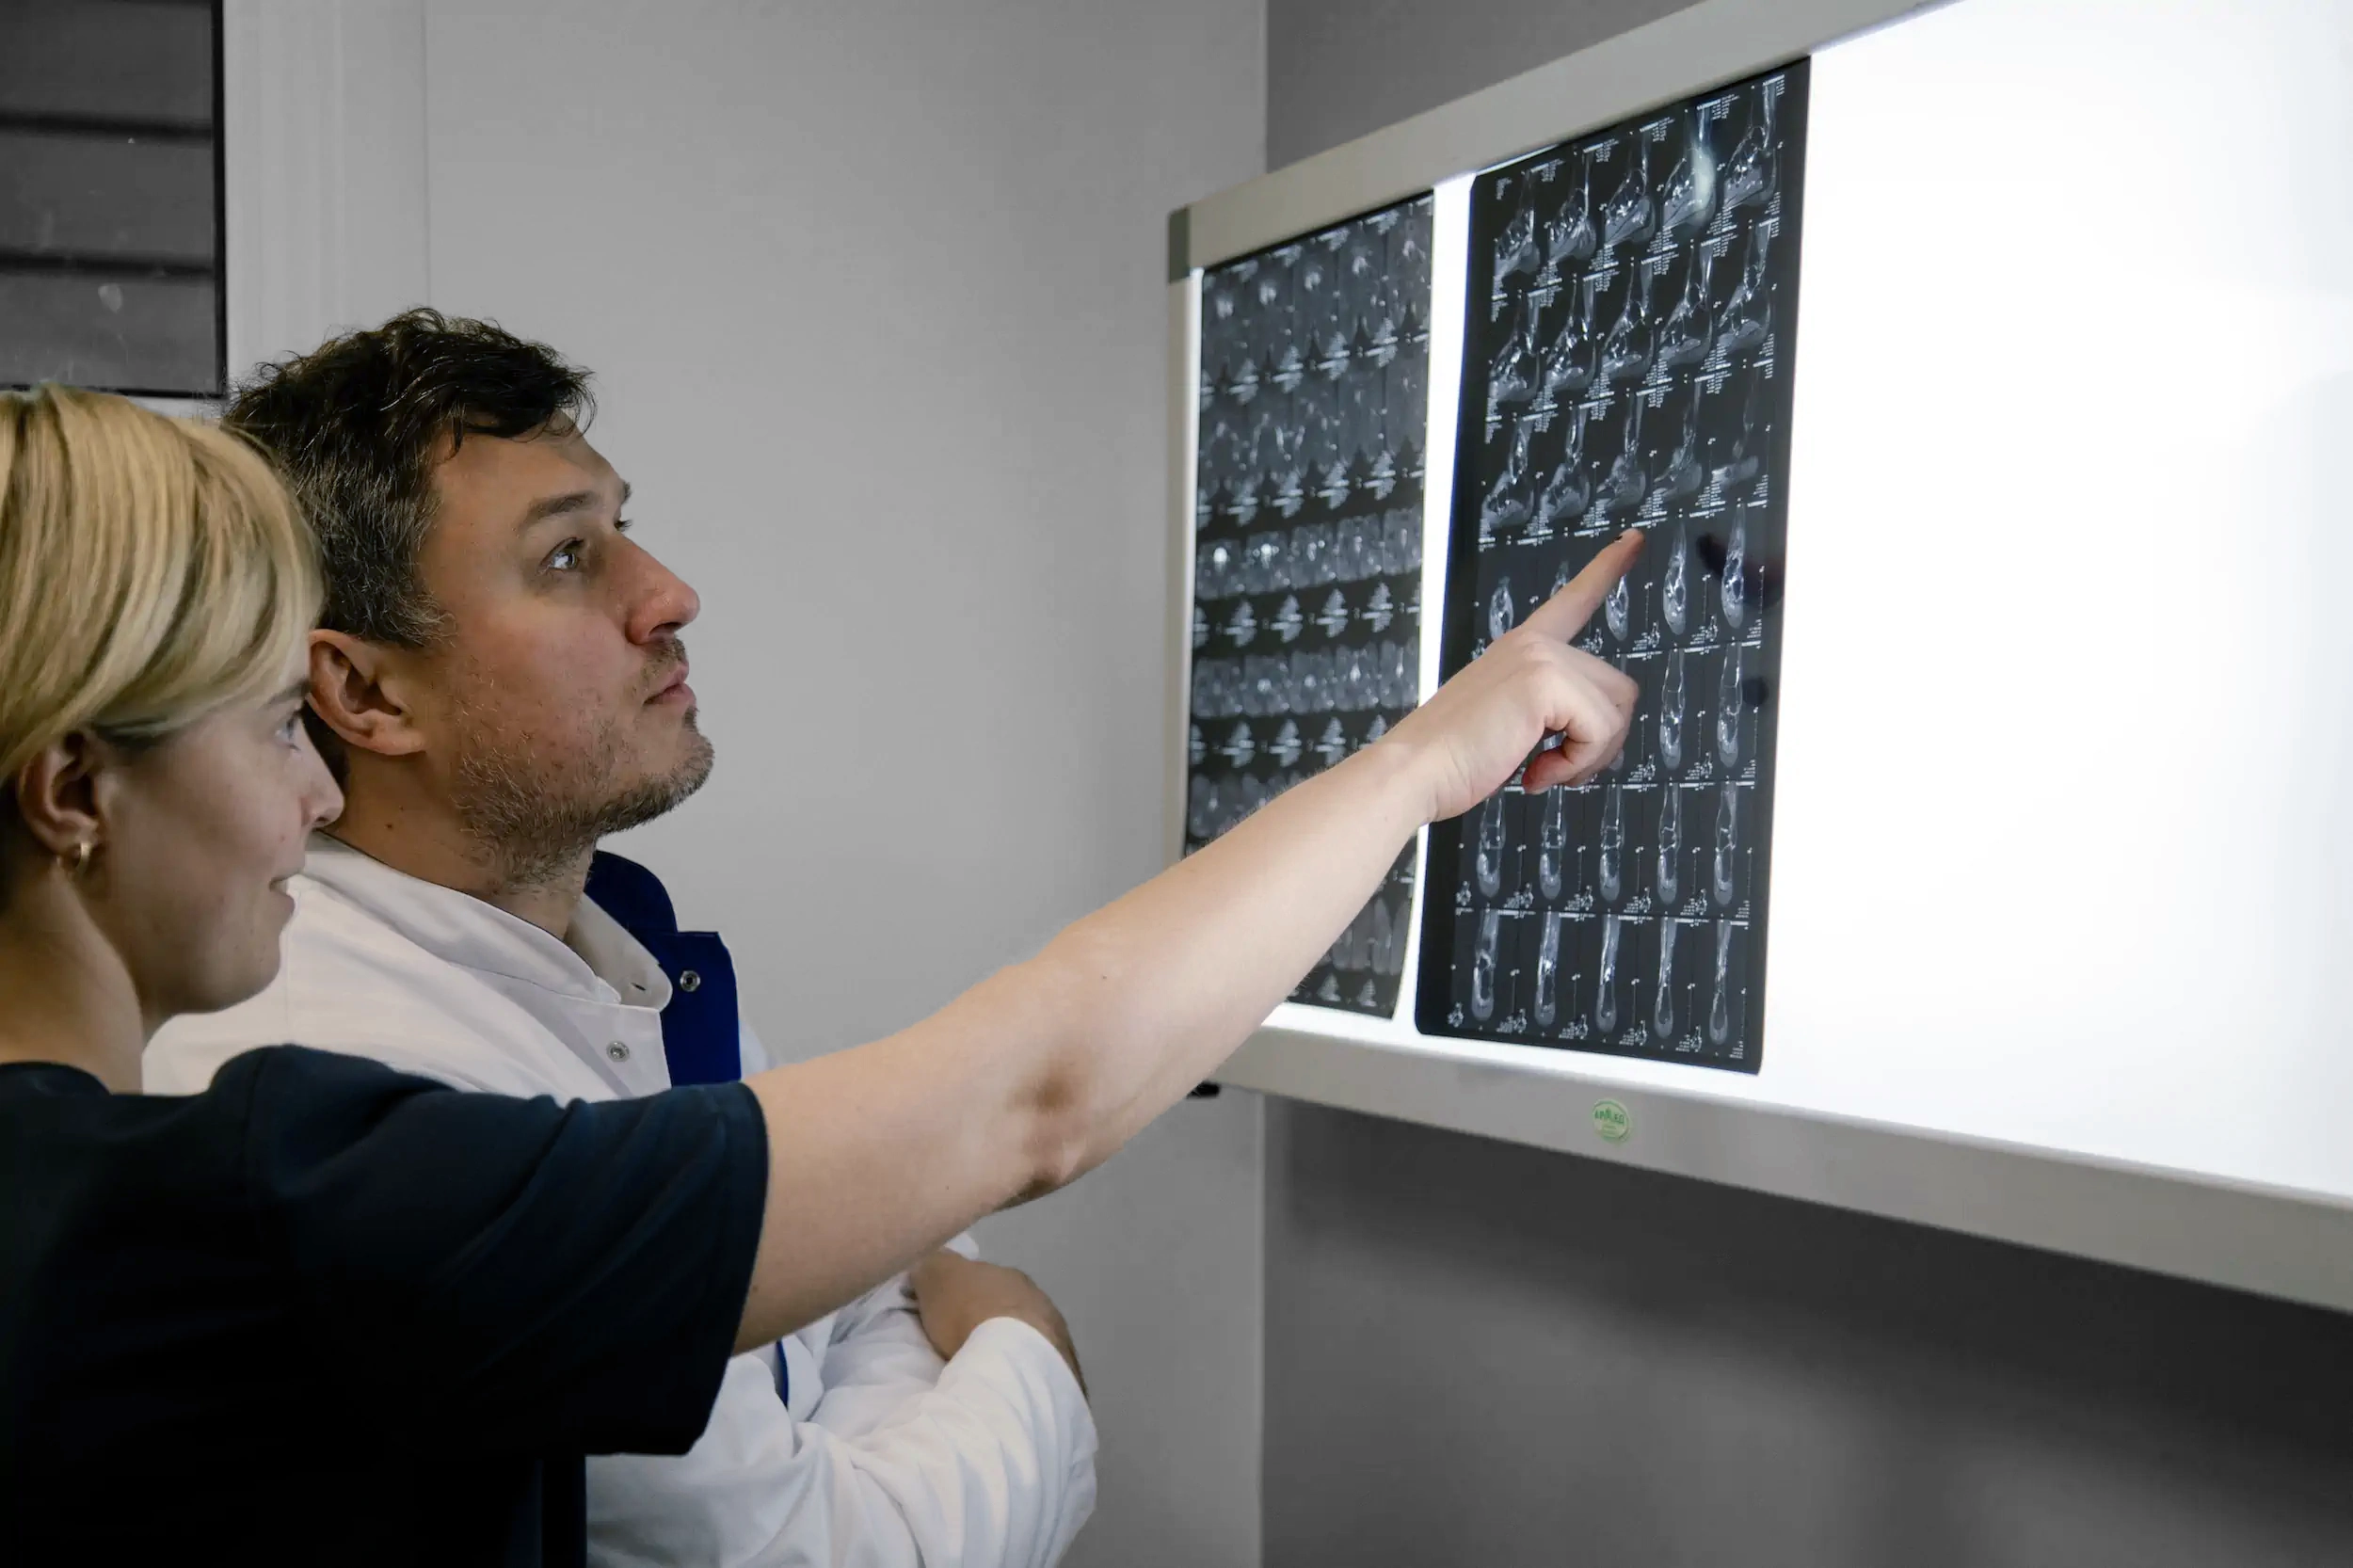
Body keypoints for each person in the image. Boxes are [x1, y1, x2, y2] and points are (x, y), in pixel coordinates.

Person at [0, 382, 1640, 1566]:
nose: (312, 793)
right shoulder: (281, 1177)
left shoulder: (134, 1178)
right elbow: (1033, 1102)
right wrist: (1421, 766)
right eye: (272, 725)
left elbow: (875, 1257)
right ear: (75, 789)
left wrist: (907, 1315)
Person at [144, 312, 1096, 1568]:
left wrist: (851, 1407)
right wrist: (1023, 1349)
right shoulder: (343, 1079)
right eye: (565, 556)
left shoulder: (619, 949)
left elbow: (882, 1273)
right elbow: (822, 1546)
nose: (668, 594)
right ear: (366, 692)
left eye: (623, 526)